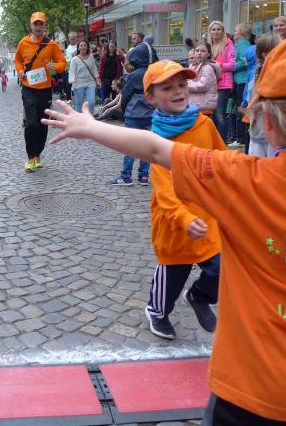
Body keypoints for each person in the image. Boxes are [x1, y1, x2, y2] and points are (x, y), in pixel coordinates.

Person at [44, 31, 286, 425]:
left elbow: (155, 149)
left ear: (269, 122)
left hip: (252, 394)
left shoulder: (242, 179)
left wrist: (89, 126)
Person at [139, 61, 225, 339]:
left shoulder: (204, 124)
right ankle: (157, 311)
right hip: (174, 223)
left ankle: (198, 296)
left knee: (221, 267)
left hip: (206, 216)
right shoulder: (156, 140)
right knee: (172, 275)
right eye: (167, 88)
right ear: (151, 97)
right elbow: (164, 191)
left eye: (181, 85)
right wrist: (183, 218)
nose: (178, 92)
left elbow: (224, 161)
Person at [14, 11, 67, 172]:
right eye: (35, 24)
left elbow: (62, 63)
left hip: (45, 90)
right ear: (31, 25)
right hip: (28, 88)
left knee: (42, 123)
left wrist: (55, 66)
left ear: (44, 26)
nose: (38, 27)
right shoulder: (23, 43)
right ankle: (30, 157)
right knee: (31, 123)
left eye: (41, 24)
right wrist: (20, 70)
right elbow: (17, 60)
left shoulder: (51, 44)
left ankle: (38, 154)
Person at [110, 29, 156, 186]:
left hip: (134, 114)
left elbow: (125, 95)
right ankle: (143, 176)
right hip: (150, 114)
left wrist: (124, 111)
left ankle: (126, 176)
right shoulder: (154, 73)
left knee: (130, 147)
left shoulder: (133, 75)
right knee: (147, 146)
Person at [242, 33, 282, 158]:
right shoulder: (272, 73)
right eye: (281, 50)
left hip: (259, 127)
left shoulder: (256, 72)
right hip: (269, 127)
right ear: (266, 55)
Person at [208, 20, 235, 143]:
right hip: (209, 84)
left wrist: (217, 64)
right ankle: (213, 142)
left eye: (218, 29)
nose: (216, 32)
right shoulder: (207, 45)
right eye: (213, 29)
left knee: (220, 115)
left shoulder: (228, 45)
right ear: (210, 31)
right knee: (211, 116)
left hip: (223, 84)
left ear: (223, 31)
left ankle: (222, 143)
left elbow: (232, 65)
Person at [231, 22, 253, 147]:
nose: (234, 33)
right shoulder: (240, 44)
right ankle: (240, 138)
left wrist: (232, 67)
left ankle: (240, 139)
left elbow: (245, 61)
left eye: (236, 30)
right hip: (241, 80)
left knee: (241, 109)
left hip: (242, 80)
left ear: (242, 33)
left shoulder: (243, 44)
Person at [187, 41, 218, 115]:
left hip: (204, 104)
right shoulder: (193, 66)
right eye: (197, 51)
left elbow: (203, 85)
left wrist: (186, 85)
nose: (199, 53)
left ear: (208, 54)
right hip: (196, 104)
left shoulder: (207, 67)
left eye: (203, 51)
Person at [68, 39, 99, 115]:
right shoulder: (74, 60)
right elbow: (72, 72)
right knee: (79, 103)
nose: (83, 47)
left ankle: (90, 118)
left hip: (90, 83)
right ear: (78, 48)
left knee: (91, 102)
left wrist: (97, 80)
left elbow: (94, 70)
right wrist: (73, 83)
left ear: (87, 47)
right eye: (81, 46)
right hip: (78, 83)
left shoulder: (91, 57)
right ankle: (78, 119)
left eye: (85, 45)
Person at [62, 32, 78, 101]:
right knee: (67, 84)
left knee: (75, 84)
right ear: (69, 39)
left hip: (76, 68)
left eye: (74, 39)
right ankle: (69, 98)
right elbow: (66, 57)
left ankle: (77, 98)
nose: (73, 40)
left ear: (76, 38)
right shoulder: (68, 47)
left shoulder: (78, 46)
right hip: (68, 68)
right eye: (71, 39)